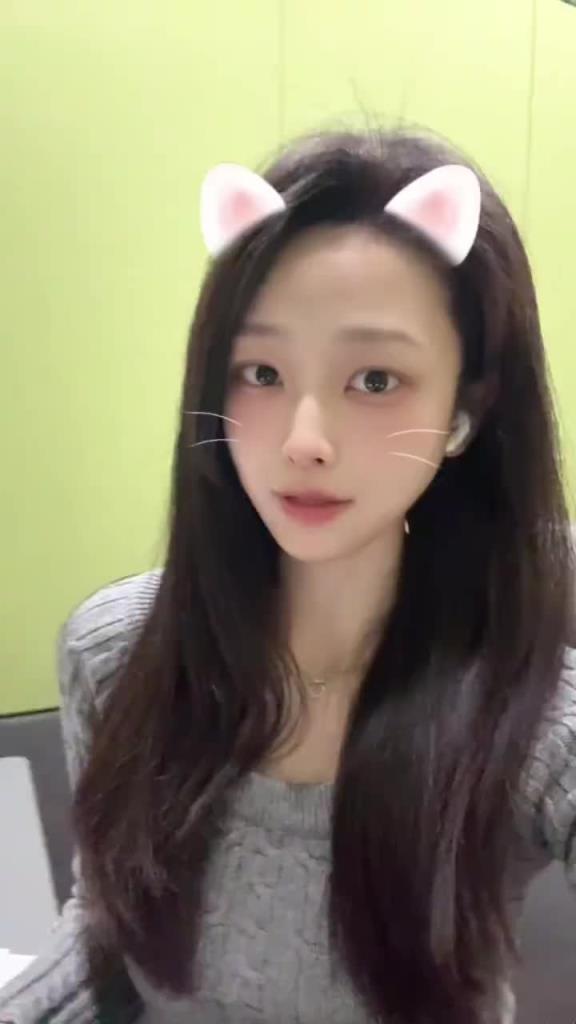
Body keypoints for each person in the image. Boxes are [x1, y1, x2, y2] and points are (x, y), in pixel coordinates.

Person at [1, 126, 575, 1024]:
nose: (304, 439)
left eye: (375, 380)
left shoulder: (535, 722)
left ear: (465, 410)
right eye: (261, 372)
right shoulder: (117, 654)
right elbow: (105, 935)